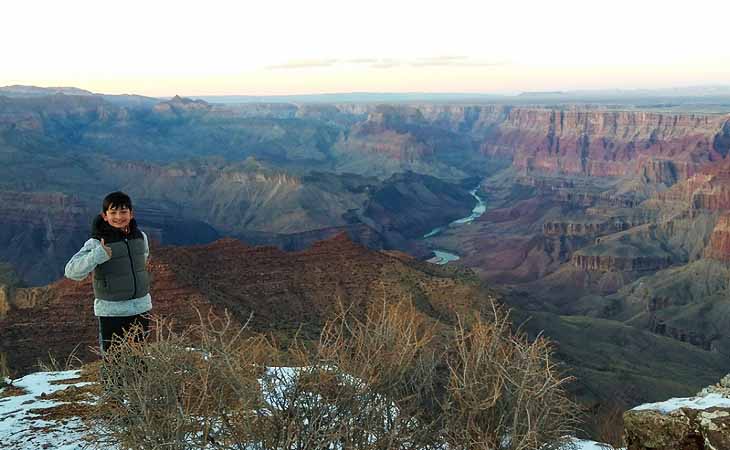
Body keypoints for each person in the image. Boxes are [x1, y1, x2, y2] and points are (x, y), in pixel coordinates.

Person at [65, 191, 152, 354]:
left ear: (131, 214)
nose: (119, 217)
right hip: (112, 311)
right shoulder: (97, 242)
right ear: (104, 216)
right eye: (113, 212)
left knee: (139, 360)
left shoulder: (141, 237)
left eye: (123, 211)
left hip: (141, 307)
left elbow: (143, 258)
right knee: (114, 362)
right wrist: (97, 256)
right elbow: (71, 272)